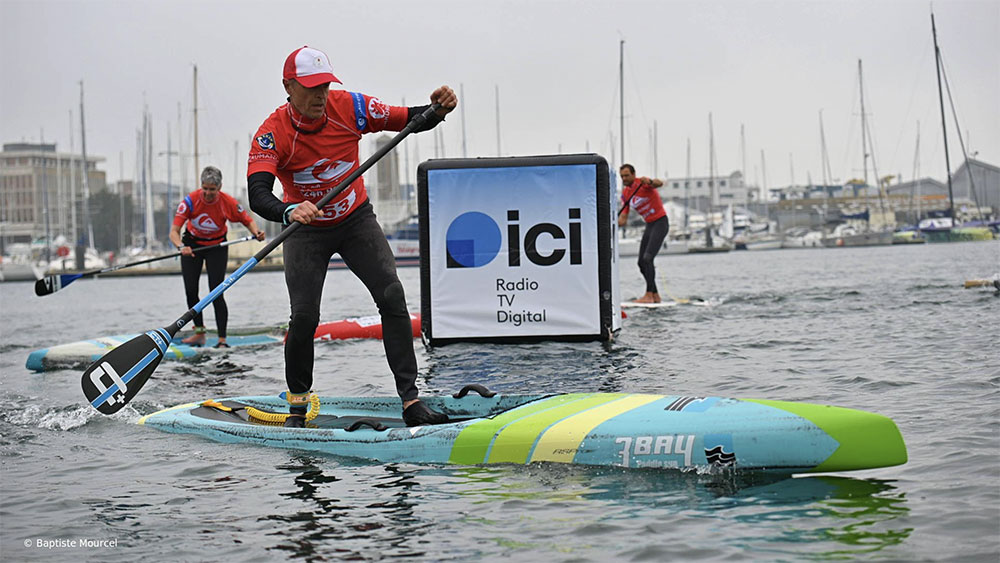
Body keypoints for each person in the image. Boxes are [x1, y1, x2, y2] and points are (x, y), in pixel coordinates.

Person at [247, 45, 457, 428]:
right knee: (305, 317)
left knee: (392, 295)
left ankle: (411, 401)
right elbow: (257, 193)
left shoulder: (352, 107)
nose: (320, 95)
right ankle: (297, 408)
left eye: (325, 85)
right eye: (310, 87)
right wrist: (287, 210)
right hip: (306, 231)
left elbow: (410, 119)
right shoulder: (271, 133)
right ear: (288, 87)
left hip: (355, 220)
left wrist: (438, 110)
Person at [169, 166, 266, 348]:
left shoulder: (228, 202)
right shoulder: (190, 201)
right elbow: (173, 232)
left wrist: (257, 232)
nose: (208, 193)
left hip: (217, 247)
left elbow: (248, 220)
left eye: (212, 190)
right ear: (201, 186)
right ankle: (199, 333)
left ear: (219, 188)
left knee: (216, 292)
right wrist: (181, 247)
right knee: (191, 291)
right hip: (192, 246)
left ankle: (222, 340)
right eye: (205, 188)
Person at [618, 164, 668, 304]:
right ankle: (655, 295)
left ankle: (649, 295)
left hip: (660, 223)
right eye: (622, 176)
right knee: (641, 262)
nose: (624, 178)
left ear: (634, 174)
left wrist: (651, 182)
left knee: (647, 258)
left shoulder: (643, 183)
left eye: (627, 175)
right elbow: (623, 219)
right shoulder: (626, 194)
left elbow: (660, 183)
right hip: (650, 225)